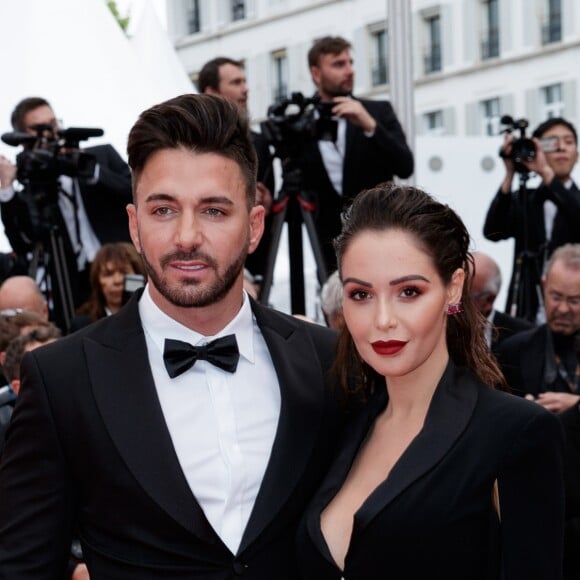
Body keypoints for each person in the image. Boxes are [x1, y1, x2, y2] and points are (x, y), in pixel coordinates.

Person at [0, 93, 344, 579]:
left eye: (214, 211)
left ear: (254, 226)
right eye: (163, 210)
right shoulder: (62, 380)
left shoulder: (327, 363)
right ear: (134, 226)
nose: (186, 236)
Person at [296, 183, 564, 579]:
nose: (383, 319)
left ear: (453, 288)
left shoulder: (514, 432)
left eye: (408, 291)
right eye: (361, 295)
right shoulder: (342, 421)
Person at [0, 96, 133, 312]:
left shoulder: (100, 156)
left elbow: (135, 193)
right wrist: (6, 190)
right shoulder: (32, 187)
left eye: (53, 124)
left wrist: (90, 172)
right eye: (39, 128)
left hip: (124, 267)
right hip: (74, 286)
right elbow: (22, 243)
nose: (51, 133)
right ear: (23, 138)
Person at [296, 36, 414, 272]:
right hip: (327, 251)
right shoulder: (301, 126)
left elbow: (405, 165)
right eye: (339, 64)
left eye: (350, 63)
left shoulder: (377, 112)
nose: (349, 71)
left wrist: (369, 125)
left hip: (379, 234)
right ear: (316, 74)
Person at [484, 116, 580, 323]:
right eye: (552, 142)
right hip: (527, 307)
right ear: (537, 151)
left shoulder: (576, 200)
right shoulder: (526, 198)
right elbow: (492, 231)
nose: (561, 148)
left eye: (569, 142)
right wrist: (509, 173)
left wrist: (547, 174)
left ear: (577, 155)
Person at [197, 57, 275, 286]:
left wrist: (267, 202)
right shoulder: (189, 143)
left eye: (245, 81)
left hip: (254, 259)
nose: (246, 89)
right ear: (211, 91)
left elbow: (268, 207)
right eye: (236, 82)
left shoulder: (260, 143)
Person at [497, 243, 580, 413]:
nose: (563, 309)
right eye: (556, 297)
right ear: (544, 286)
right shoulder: (514, 351)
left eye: (574, 301)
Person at [69, 241, 145, 332]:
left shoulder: (154, 317)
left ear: (139, 276)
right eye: (108, 274)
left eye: (124, 272)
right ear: (97, 281)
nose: (117, 280)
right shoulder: (83, 325)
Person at [470, 251, 533, 357]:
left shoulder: (523, 337)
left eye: (465, 296)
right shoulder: (440, 324)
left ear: (489, 300)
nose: (455, 301)